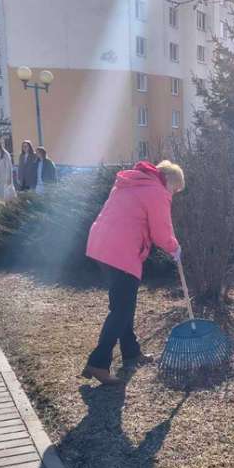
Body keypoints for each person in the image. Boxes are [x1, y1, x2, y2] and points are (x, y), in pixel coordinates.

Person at [81, 160, 184, 385]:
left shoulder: (131, 182)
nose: (173, 195)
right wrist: (174, 247)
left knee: (123, 304)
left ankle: (131, 351)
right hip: (121, 250)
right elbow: (161, 231)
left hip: (101, 245)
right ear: (170, 182)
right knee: (121, 309)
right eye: (175, 190)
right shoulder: (156, 192)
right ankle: (98, 363)